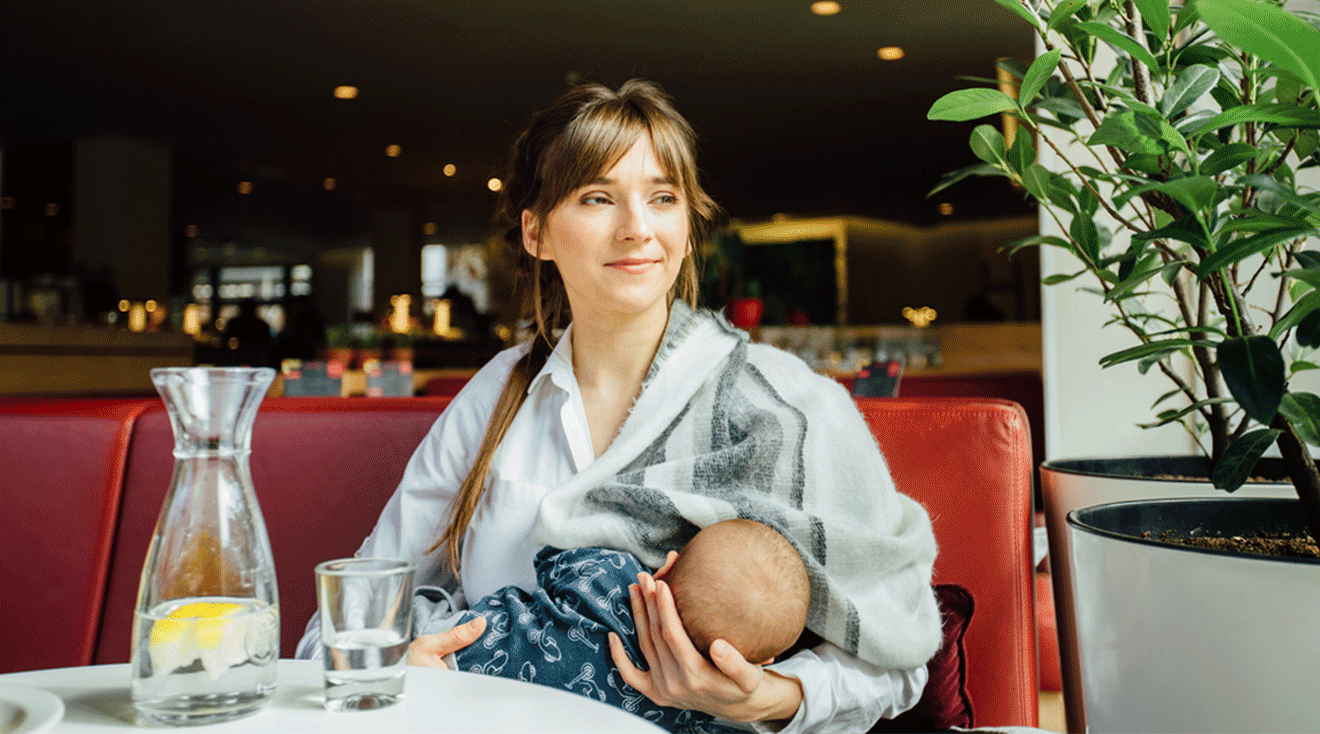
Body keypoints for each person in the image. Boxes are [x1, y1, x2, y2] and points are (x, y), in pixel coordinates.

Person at [296, 79, 941, 732]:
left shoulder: (788, 405)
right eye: (598, 197)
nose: (637, 228)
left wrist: (771, 698)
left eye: (662, 198)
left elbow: (901, 655)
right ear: (536, 232)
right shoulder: (498, 394)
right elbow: (345, 620)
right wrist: (398, 665)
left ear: (687, 231)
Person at [413, 519, 809, 733]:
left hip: (464, 653)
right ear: (760, 663)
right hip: (495, 715)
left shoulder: (611, 570)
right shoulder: (705, 720)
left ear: (666, 566)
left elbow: (549, 563)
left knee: (420, 614)